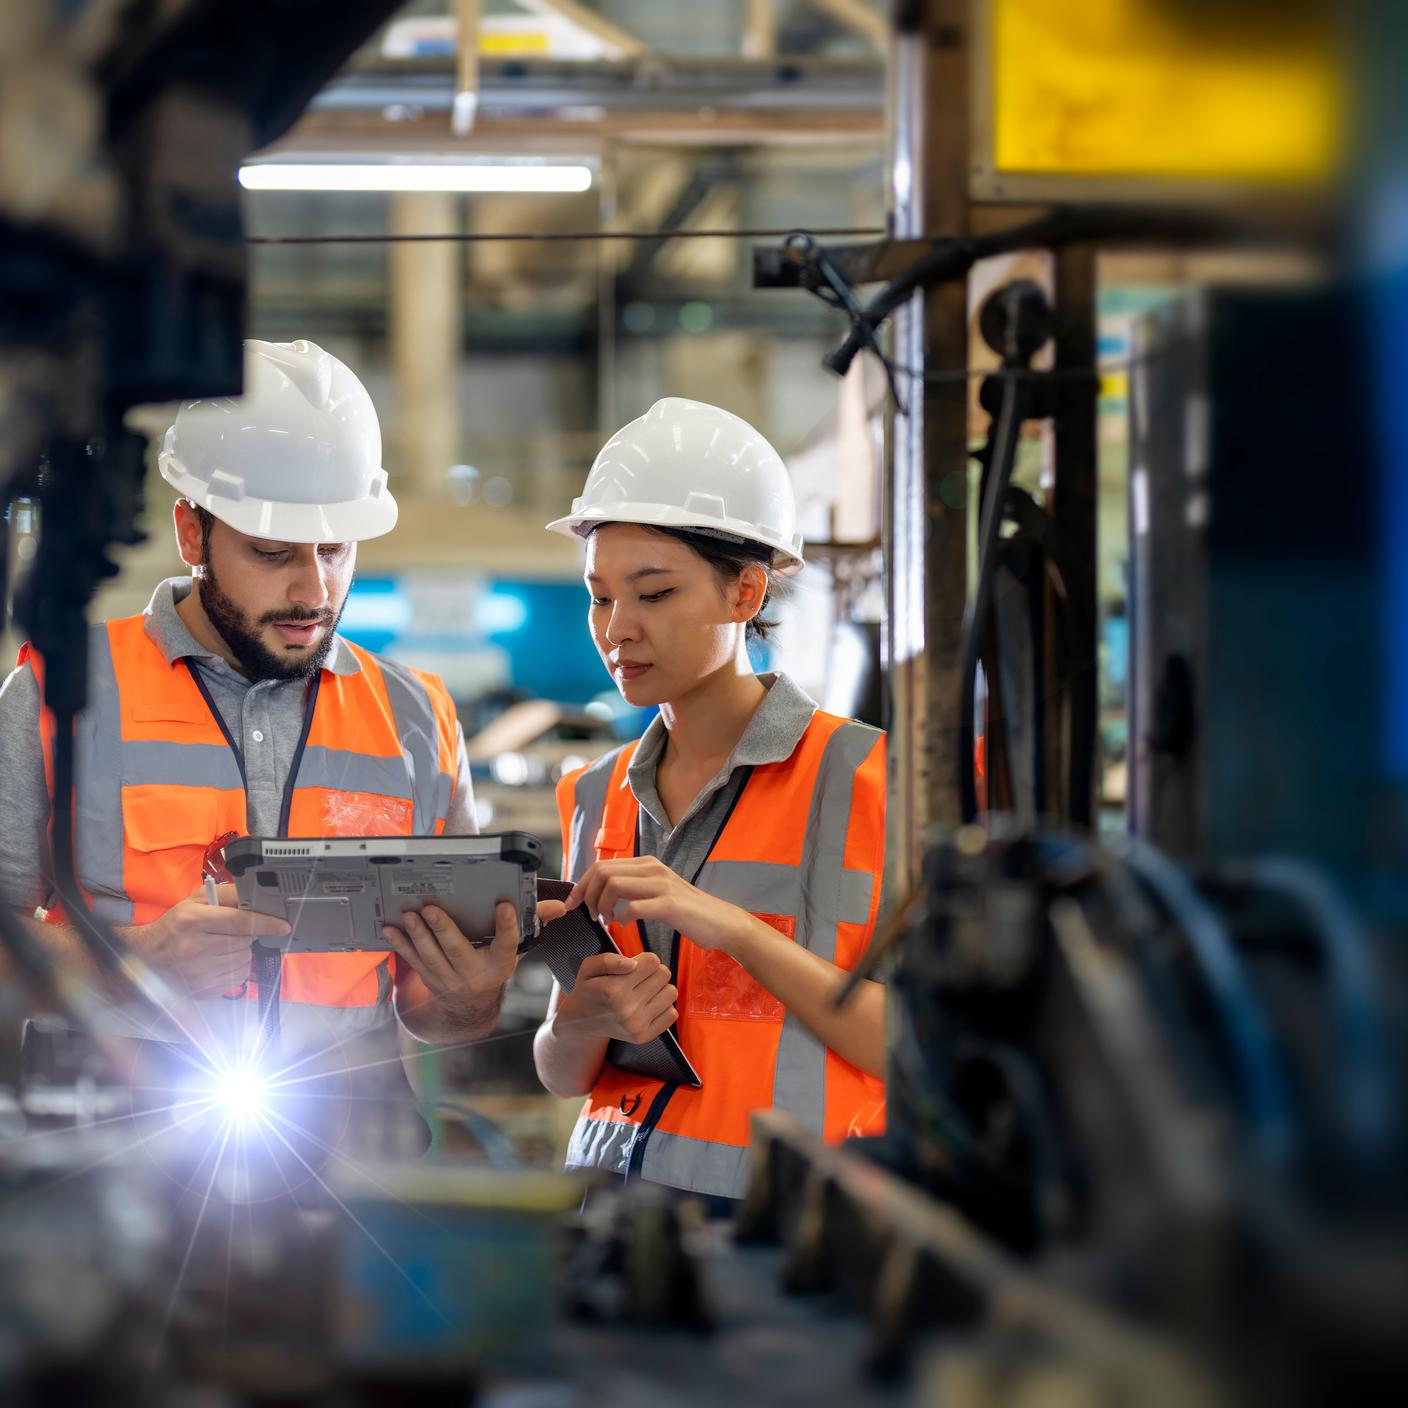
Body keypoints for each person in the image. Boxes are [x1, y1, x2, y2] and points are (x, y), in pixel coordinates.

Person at [0, 339, 534, 1102]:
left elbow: (436, 1013)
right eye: (271, 551)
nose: (312, 589)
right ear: (192, 535)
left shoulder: (418, 718)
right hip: (111, 1138)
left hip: (336, 1149)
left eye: (335, 548)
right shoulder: (63, 690)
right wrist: (138, 960)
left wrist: (468, 995)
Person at [533, 397, 887, 1204]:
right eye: (599, 595)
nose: (616, 628)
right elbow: (561, 1074)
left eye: (654, 594)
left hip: (792, 1229)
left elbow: (922, 1050)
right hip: (614, 1219)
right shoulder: (592, 794)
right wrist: (581, 1020)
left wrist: (731, 927)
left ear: (746, 593)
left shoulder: (867, 778)